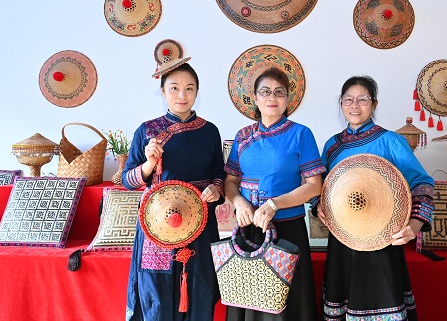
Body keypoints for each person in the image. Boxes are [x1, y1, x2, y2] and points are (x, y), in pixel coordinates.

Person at [317, 75, 434, 321]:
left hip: (384, 240)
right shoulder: (332, 146)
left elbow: (422, 184)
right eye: (348, 99)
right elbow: (320, 187)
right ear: (341, 103)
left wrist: (414, 225)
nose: (354, 105)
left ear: (374, 104)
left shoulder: (391, 141)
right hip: (342, 240)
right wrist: (318, 205)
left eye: (362, 99)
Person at [122, 58, 226, 321]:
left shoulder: (210, 131)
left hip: (200, 221)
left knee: (199, 285)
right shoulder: (147, 131)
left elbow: (219, 174)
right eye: (174, 88)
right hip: (157, 224)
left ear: (197, 92)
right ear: (163, 92)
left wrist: (215, 190)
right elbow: (127, 180)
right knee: (156, 290)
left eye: (189, 88)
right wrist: (149, 163)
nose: (182, 95)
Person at [224, 67, 326, 321]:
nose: (272, 97)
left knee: (286, 306)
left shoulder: (300, 134)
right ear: (255, 98)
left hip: (287, 230)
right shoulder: (243, 136)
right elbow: (231, 181)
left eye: (279, 92)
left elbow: (314, 186)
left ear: (287, 99)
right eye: (265, 92)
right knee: (249, 301)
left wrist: (274, 204)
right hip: (249, 230)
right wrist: (239, 202)